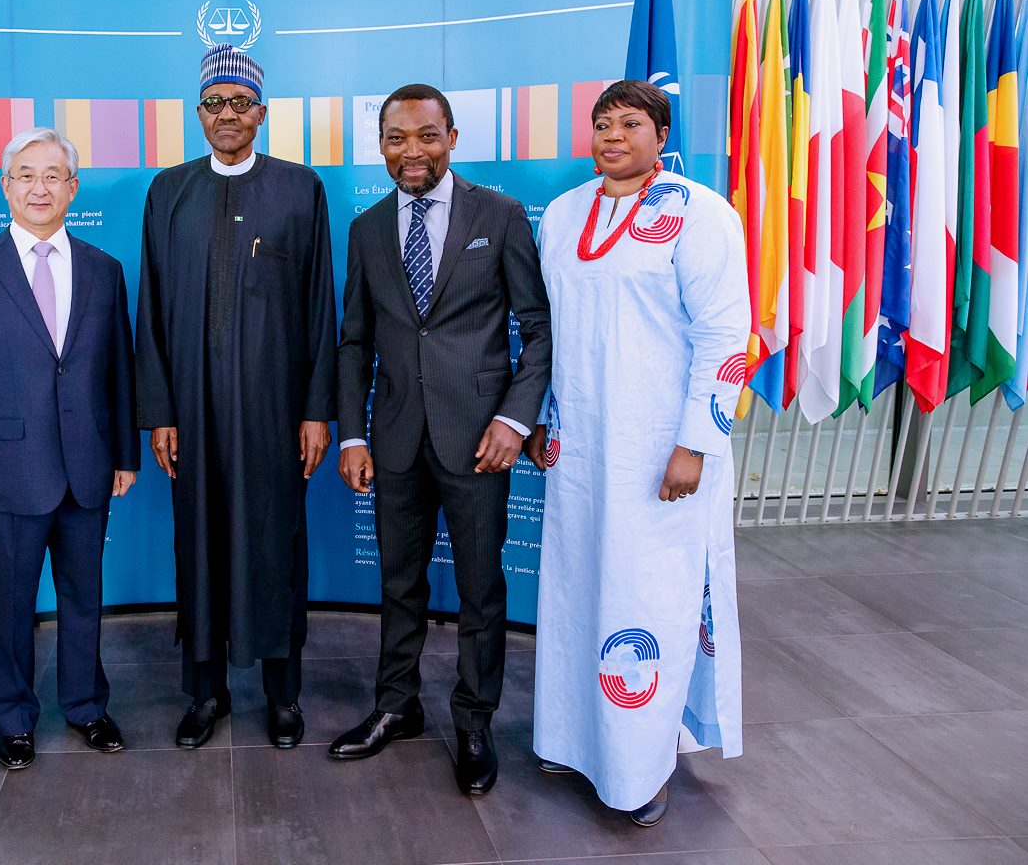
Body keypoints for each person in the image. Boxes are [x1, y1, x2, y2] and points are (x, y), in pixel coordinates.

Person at [526, 79, 746, 827]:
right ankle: (569, 738)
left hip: (659, 454)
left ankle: (640, 770)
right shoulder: (562, 215)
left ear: (660, 133)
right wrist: (545, 422)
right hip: (581, 451)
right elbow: (552, 332)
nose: (612, 134)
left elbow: (724, 337)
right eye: (601, 122)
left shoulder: (699, 214)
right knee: (575, 589)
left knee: (645, 601)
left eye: (630, 123)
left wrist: (696, 444)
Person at [330, 83, 551, 796]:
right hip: (394, 438)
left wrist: (514, 420)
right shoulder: (366, 229)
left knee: (481, 590)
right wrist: (350, 438)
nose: (411, 151)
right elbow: (354, 342)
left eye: (426, 135)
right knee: (399, 583)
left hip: (479, 438)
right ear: (382, 145)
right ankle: (397, 706)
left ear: (452, 137)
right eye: (396, 137)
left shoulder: (502, 214)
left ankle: (474, 719)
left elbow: (538, 330)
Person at [136, 43, 337, 750]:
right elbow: (151, 309)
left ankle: (283, 695)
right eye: (214, 104)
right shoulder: (169, 191)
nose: (228, 115)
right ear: (198, 114)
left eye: (240, 103)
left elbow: (320, 308)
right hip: (190, 413)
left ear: (261, 113)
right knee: (199, 548)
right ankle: (205, 692)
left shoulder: (299, 188)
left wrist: (317, 410)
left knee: (276, 545)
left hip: (275, 417)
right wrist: (158, 411)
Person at [0, 127, 139, 771]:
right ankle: (14, 718)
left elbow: (120, 370)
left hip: (88, 468)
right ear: (5, 186)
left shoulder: (105, 270)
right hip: (8, 473)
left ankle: (85, 705)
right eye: (25, 174)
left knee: (85, 596)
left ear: (73, 188)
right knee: (13, 603)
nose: (39, 187)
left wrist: (126, 454)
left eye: (53, 175)